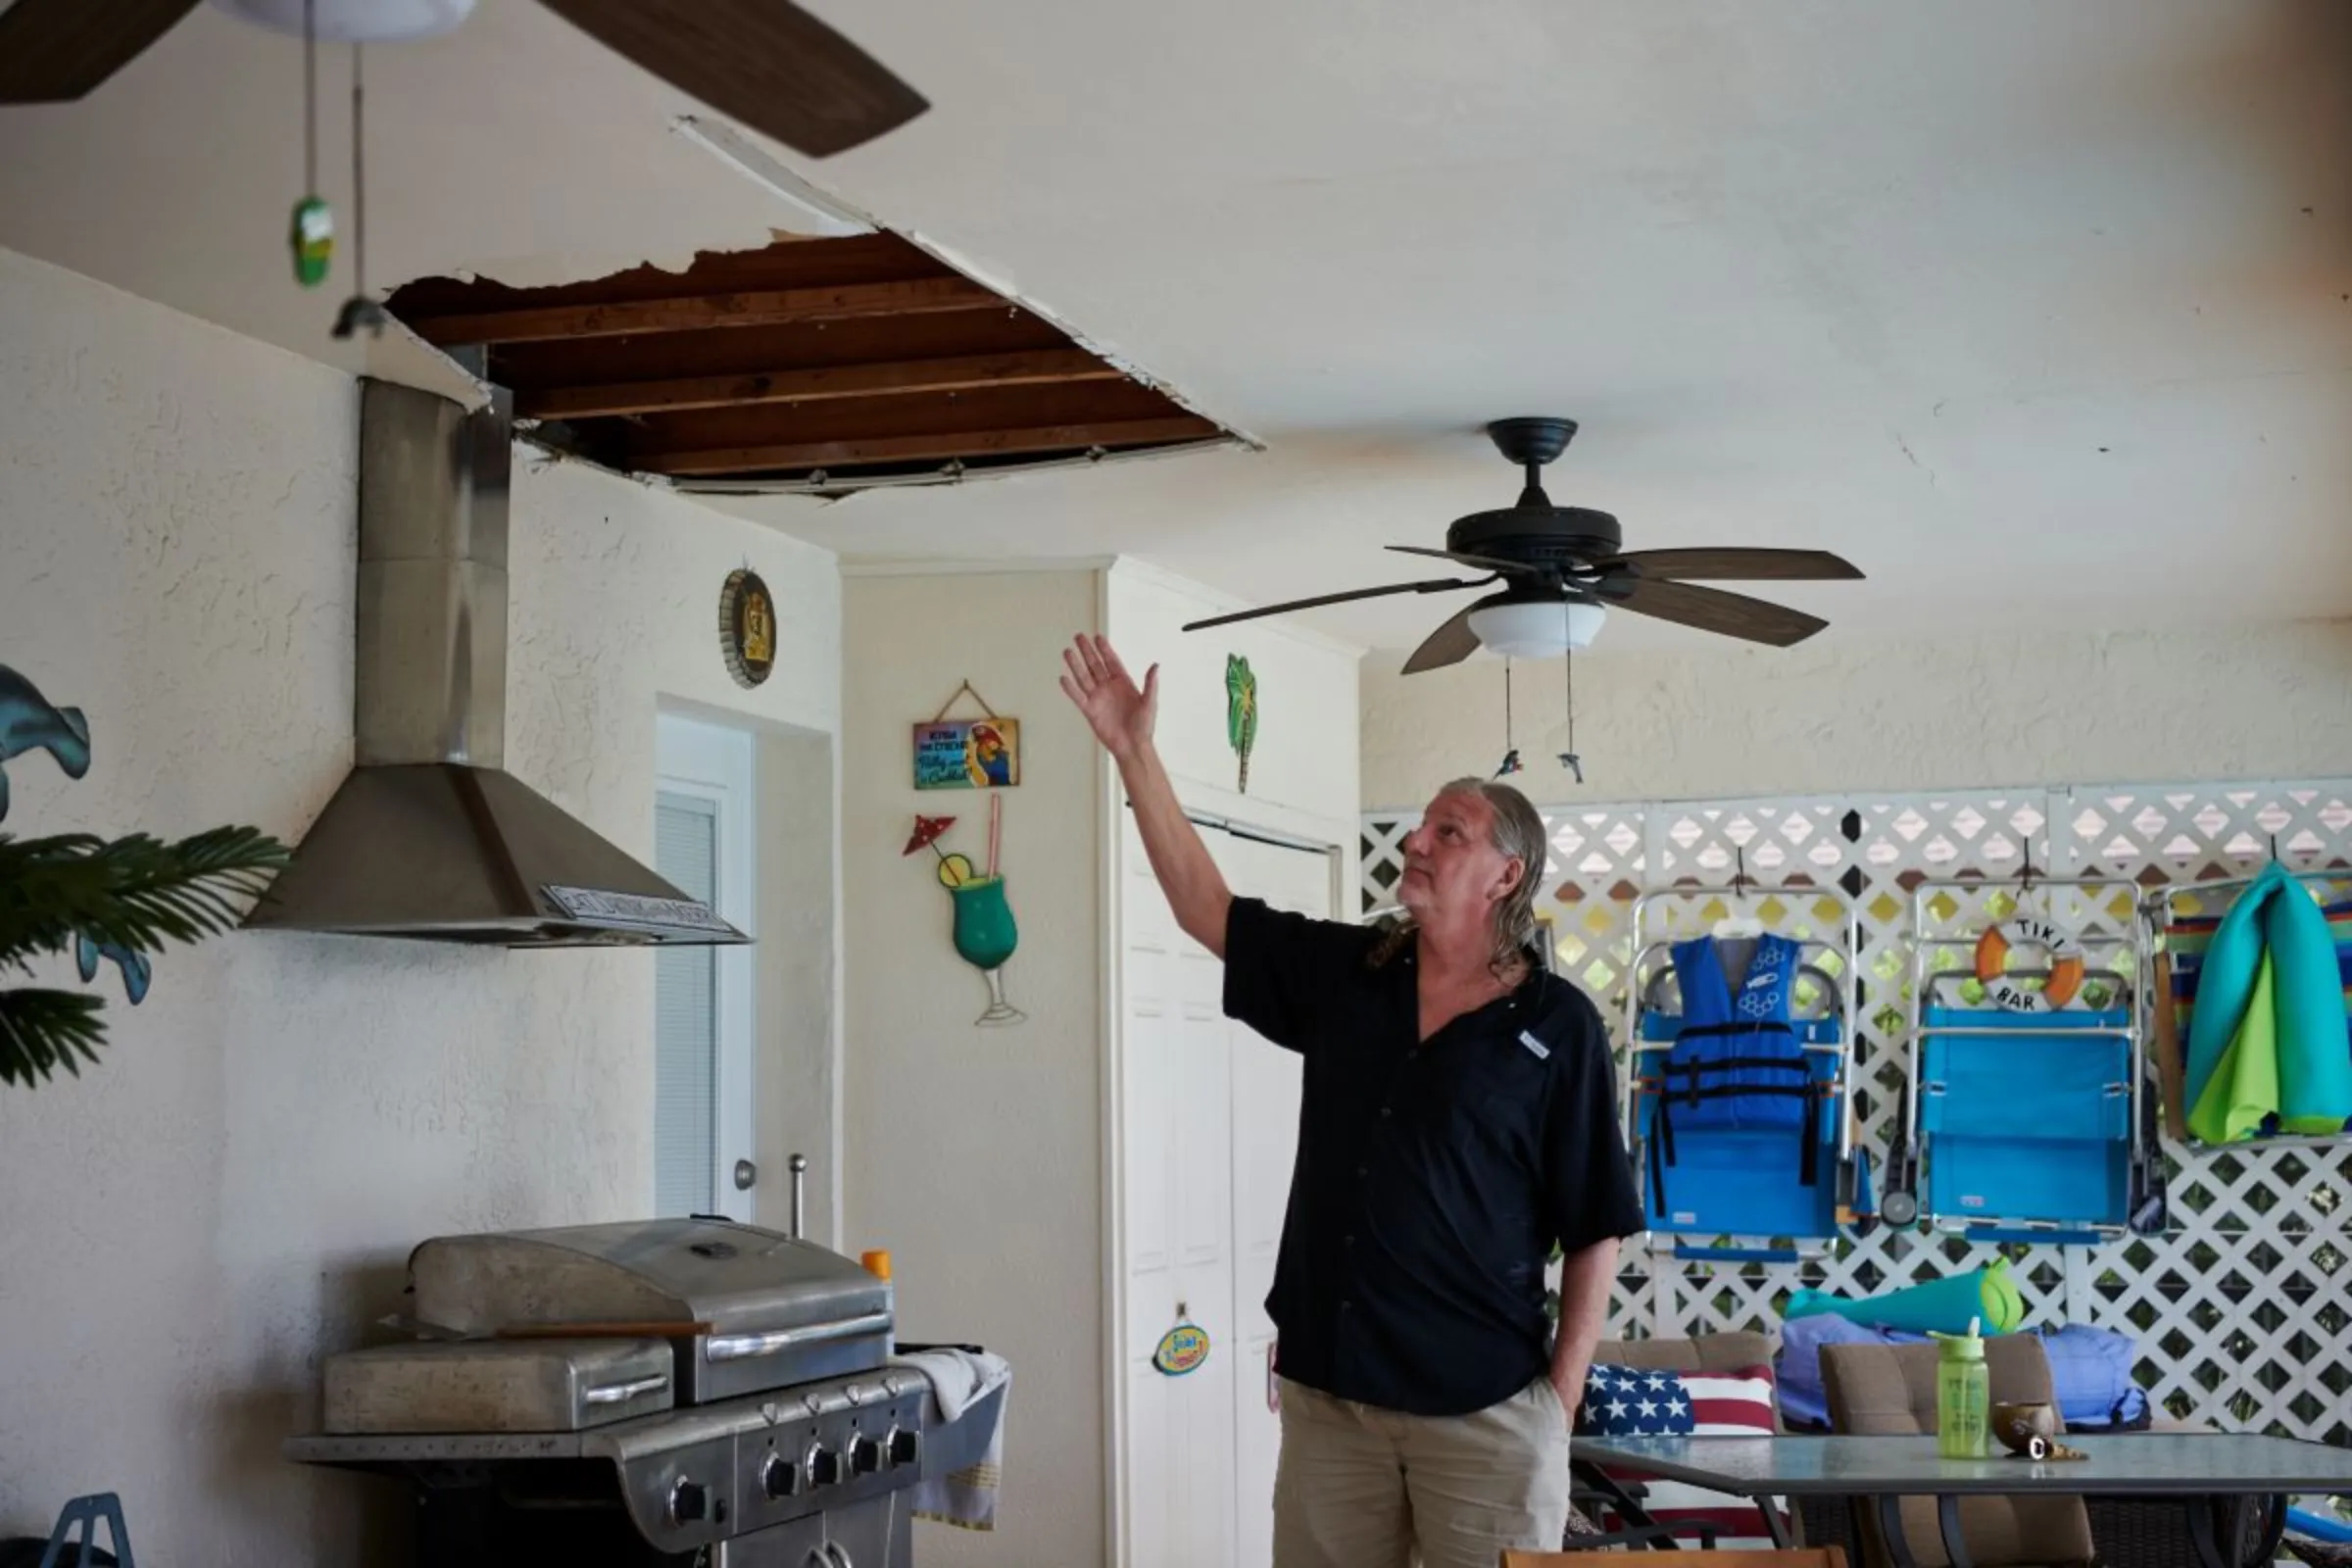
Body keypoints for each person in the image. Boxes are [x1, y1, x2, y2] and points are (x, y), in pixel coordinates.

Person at [1059, 632, 1644, 1568]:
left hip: (1486, 1414)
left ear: (1507, 876)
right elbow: (1205, 908)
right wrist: (1134, 752)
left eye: (1448, 831)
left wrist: (1559, 1399)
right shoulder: (1351, 976)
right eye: (1422, 825)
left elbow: (1596, 1225)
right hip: (1333, 1406)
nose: (1416, 840)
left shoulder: (1556, 1025)